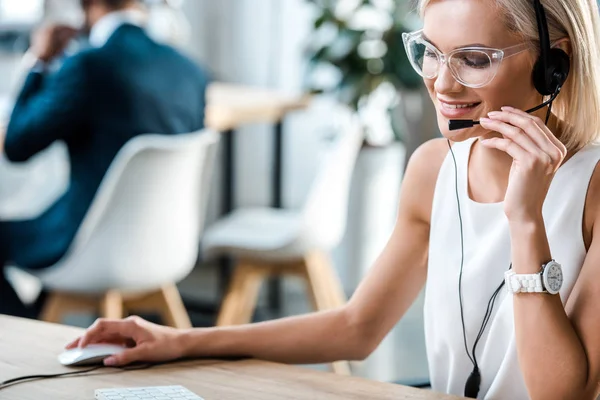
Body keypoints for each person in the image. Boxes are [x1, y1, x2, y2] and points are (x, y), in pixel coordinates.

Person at [66, 0, 600, 398]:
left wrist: (526, 222)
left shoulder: (592, 190)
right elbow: (357, 327)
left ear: (554, 66)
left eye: (475, 59)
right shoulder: (433, 169)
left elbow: (563, 393)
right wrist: (180, 341)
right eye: (433, 54)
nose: (443, 84)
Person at [0, 0, 209, 317]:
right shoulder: (189, 69)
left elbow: (16, 144)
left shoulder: (88, 66)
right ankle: (44, 320)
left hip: (88, 243)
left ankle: (30, 329)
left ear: (88, 4)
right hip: (167, 245)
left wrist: (39, 61)